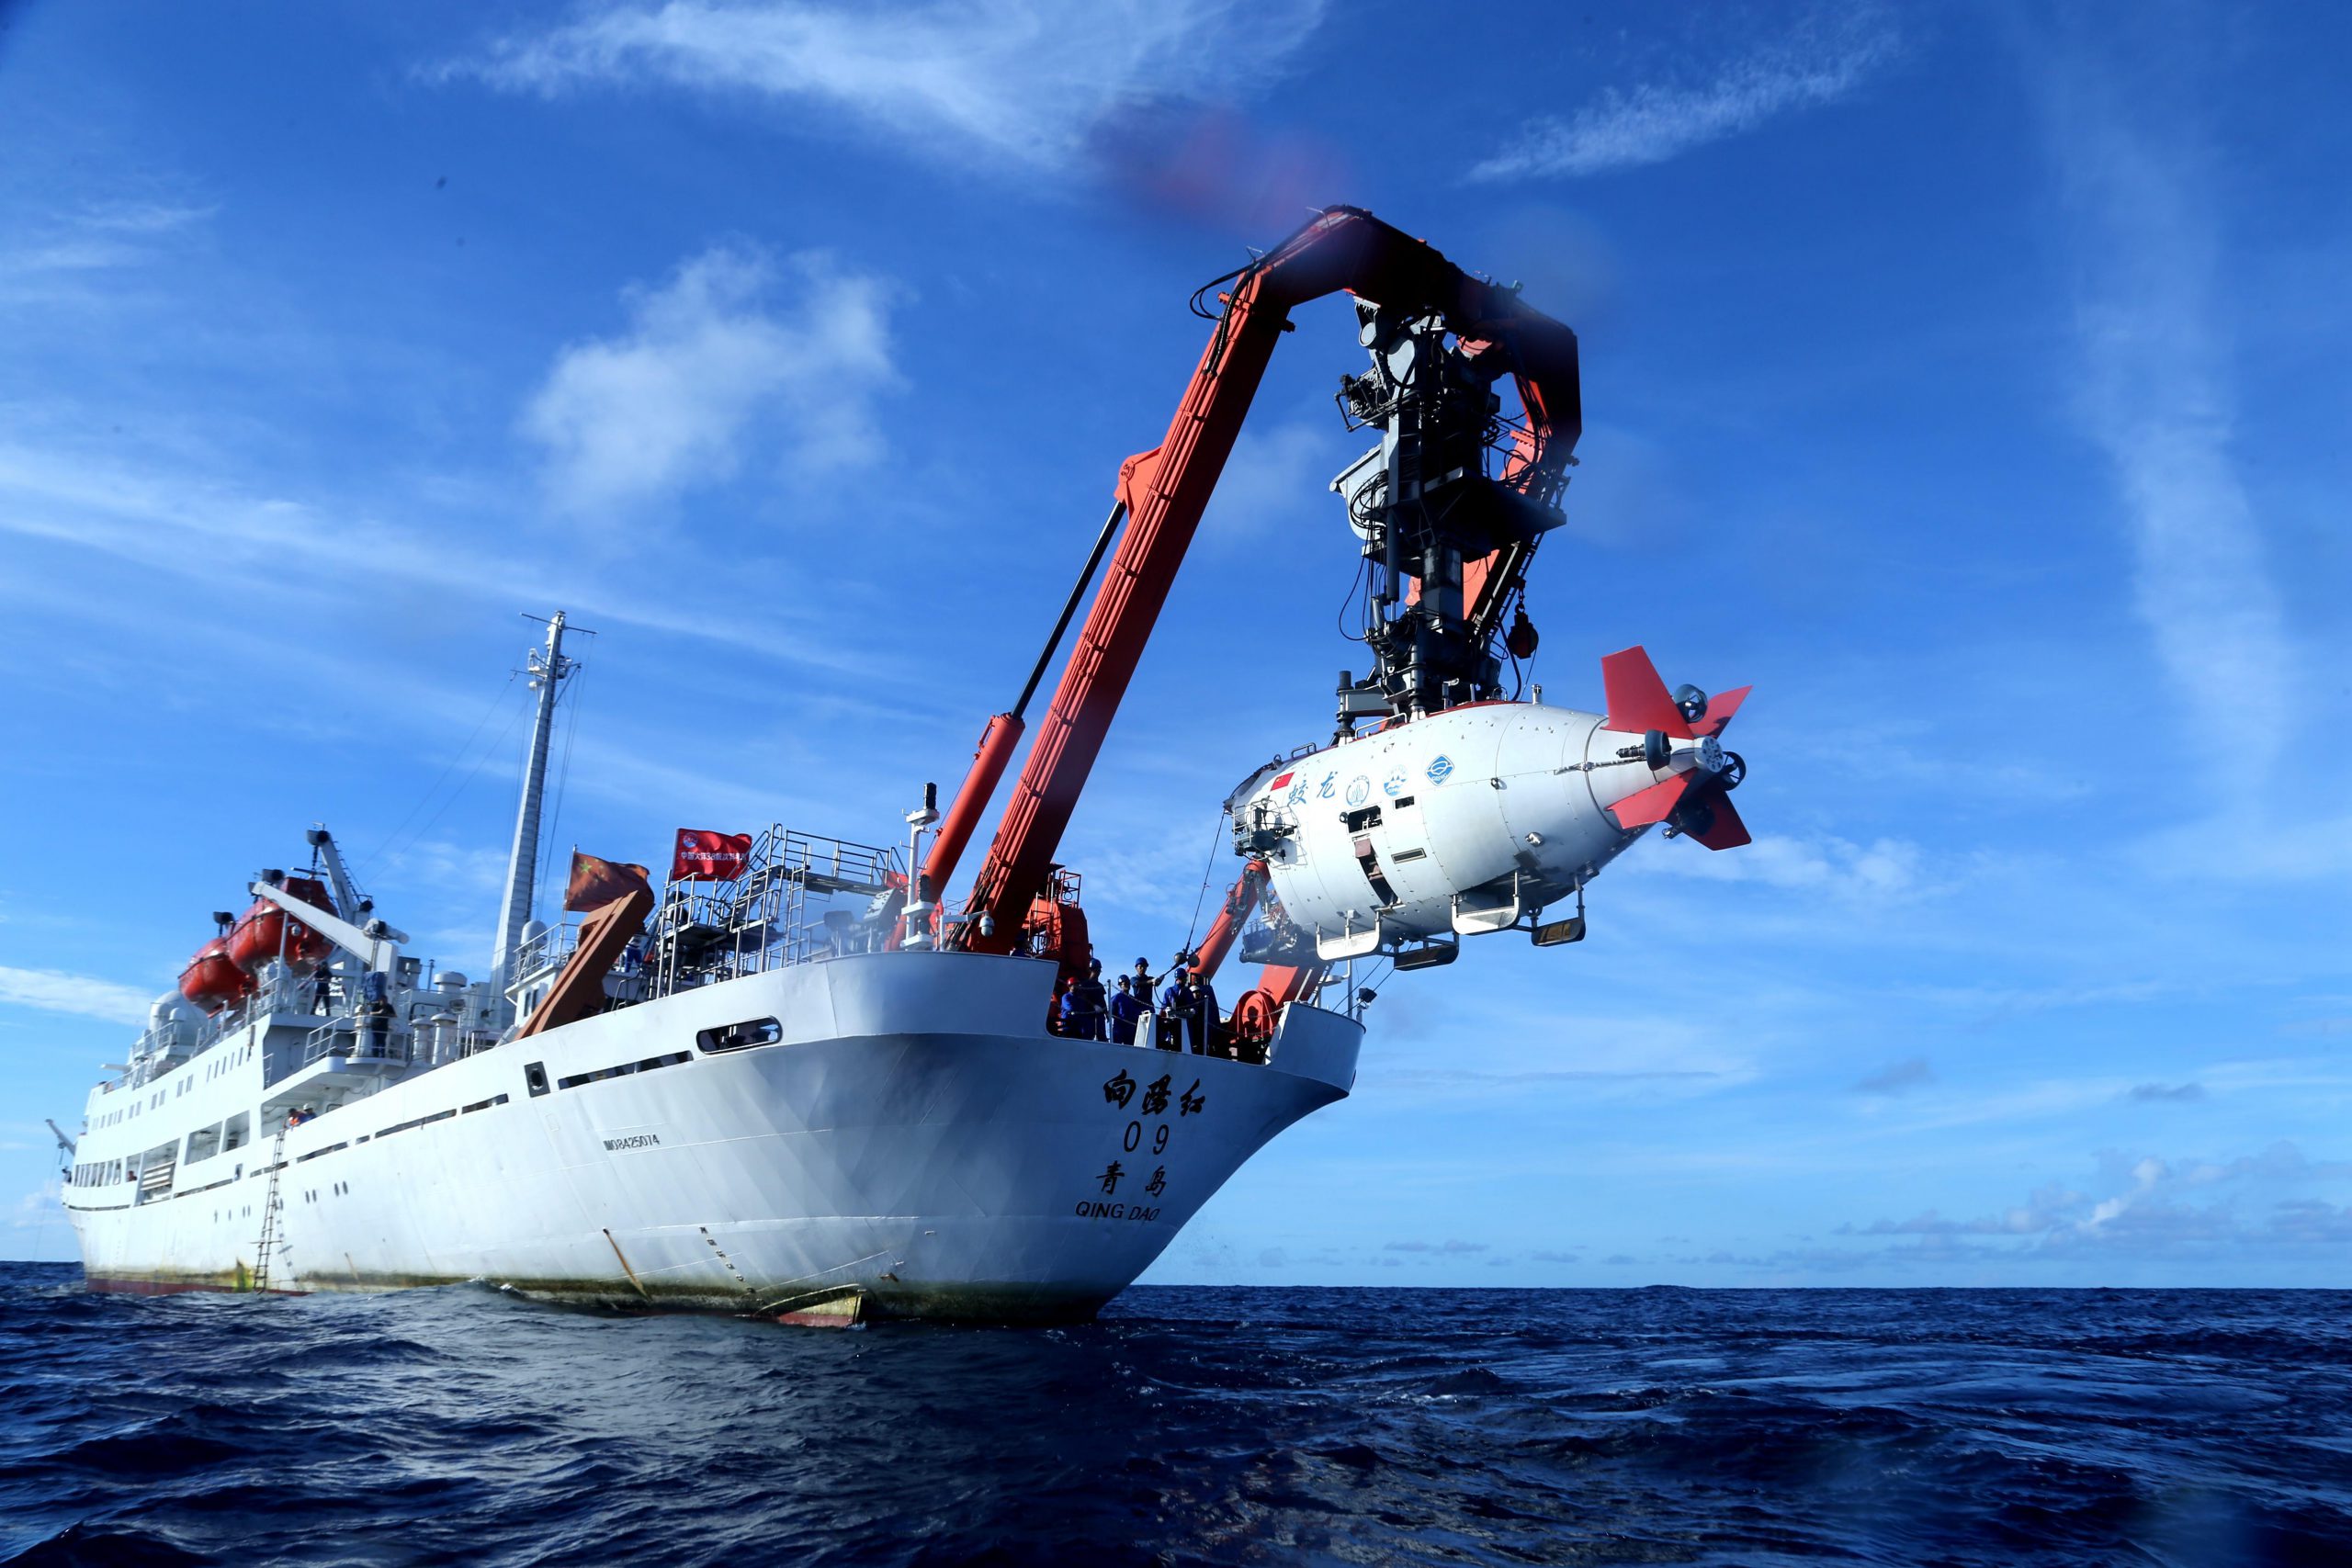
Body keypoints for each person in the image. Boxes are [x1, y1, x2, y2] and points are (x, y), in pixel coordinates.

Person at [1063, 958, 1108, 1042]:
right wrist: (1093, 1005)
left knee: (1102, 1036)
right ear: (1091, 970)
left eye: (1098, 971)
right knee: (1087, 1036)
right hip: (1088, 1014)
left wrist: (1106, 1013)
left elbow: (1102, 1000)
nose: (1098, 973)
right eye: (1096, 970)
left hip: (1099, 1015)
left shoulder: (1100, 985)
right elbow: (1082, 997)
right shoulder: (1084, 984)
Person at [1159, 965, 1199, 1054]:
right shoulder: (1169, 991)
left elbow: (1193, 1006)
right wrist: (1166, 1009)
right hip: (1172, 1022)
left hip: (1186, 1023)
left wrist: (1193, 1010)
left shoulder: (1187, 992)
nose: (1184, 981)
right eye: (1183, 978)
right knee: (1172, 1043)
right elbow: (1164, 1006)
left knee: (1186, 1043)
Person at [1190, 966, 1221, 1057]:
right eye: (1195, 993)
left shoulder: (1204, 1001)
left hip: (1204, 1027)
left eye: (1198, 993)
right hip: (1198, 1027)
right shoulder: (1195, 1003)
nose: (1197, 995)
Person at [1108, 974, 1144, 1045]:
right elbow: (1111, 1013)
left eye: (1127, 983)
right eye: (1124, 984)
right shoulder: (1116, 998)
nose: (1126, 985)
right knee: (1115, 1047)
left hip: (1131, 1028)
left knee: (1130, 1049)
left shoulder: (1133, 999)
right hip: (1119, 1028)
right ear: (1120, 985)